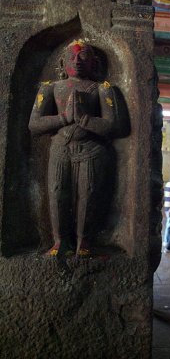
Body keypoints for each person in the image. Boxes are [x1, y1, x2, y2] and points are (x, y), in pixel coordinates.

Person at [29, 39, 116, 256]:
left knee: (88, 193)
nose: (77, 61)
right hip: (60, 148)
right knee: (58, 193)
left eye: (83, 56)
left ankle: (83, 242)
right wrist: (64, 118)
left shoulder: (102, 89)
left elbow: (113, 125)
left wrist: (85, 119)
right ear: (63, 62)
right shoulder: (50, 88)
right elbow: (34, 125)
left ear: (93, 63)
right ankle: (60, 242)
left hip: (91, 149)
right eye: (72, 57)